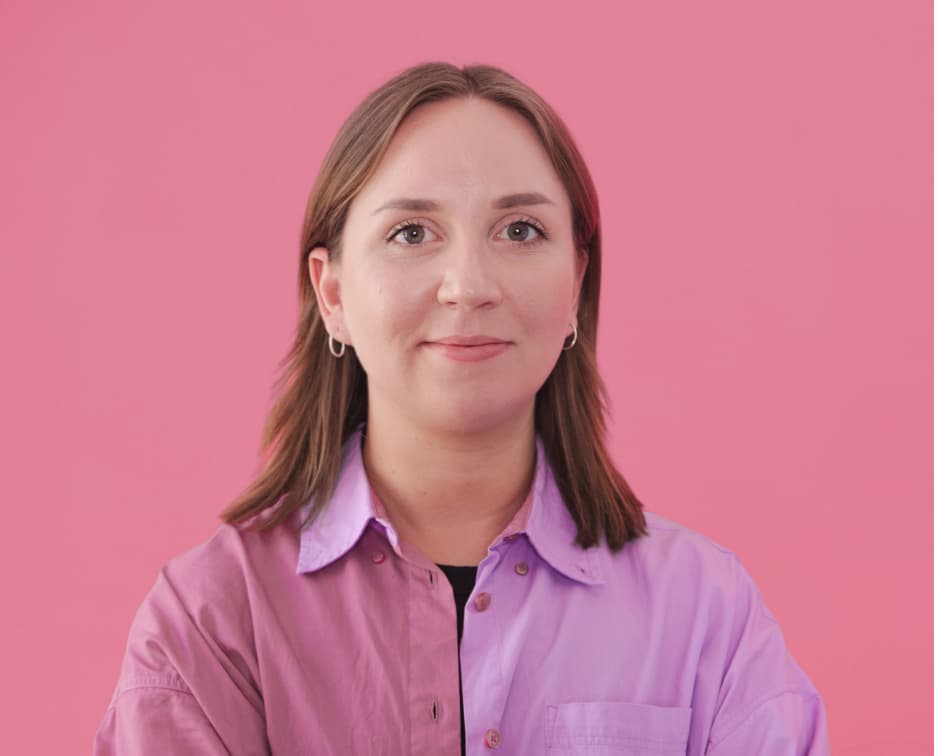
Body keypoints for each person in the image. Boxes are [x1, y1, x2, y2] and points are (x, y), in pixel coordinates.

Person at [93, 61, 830, 755]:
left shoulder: (706, 613)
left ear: (576, 283)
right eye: (411, 233)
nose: (469, 284)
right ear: (333, 294)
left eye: (520, 231)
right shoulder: (212, 622)